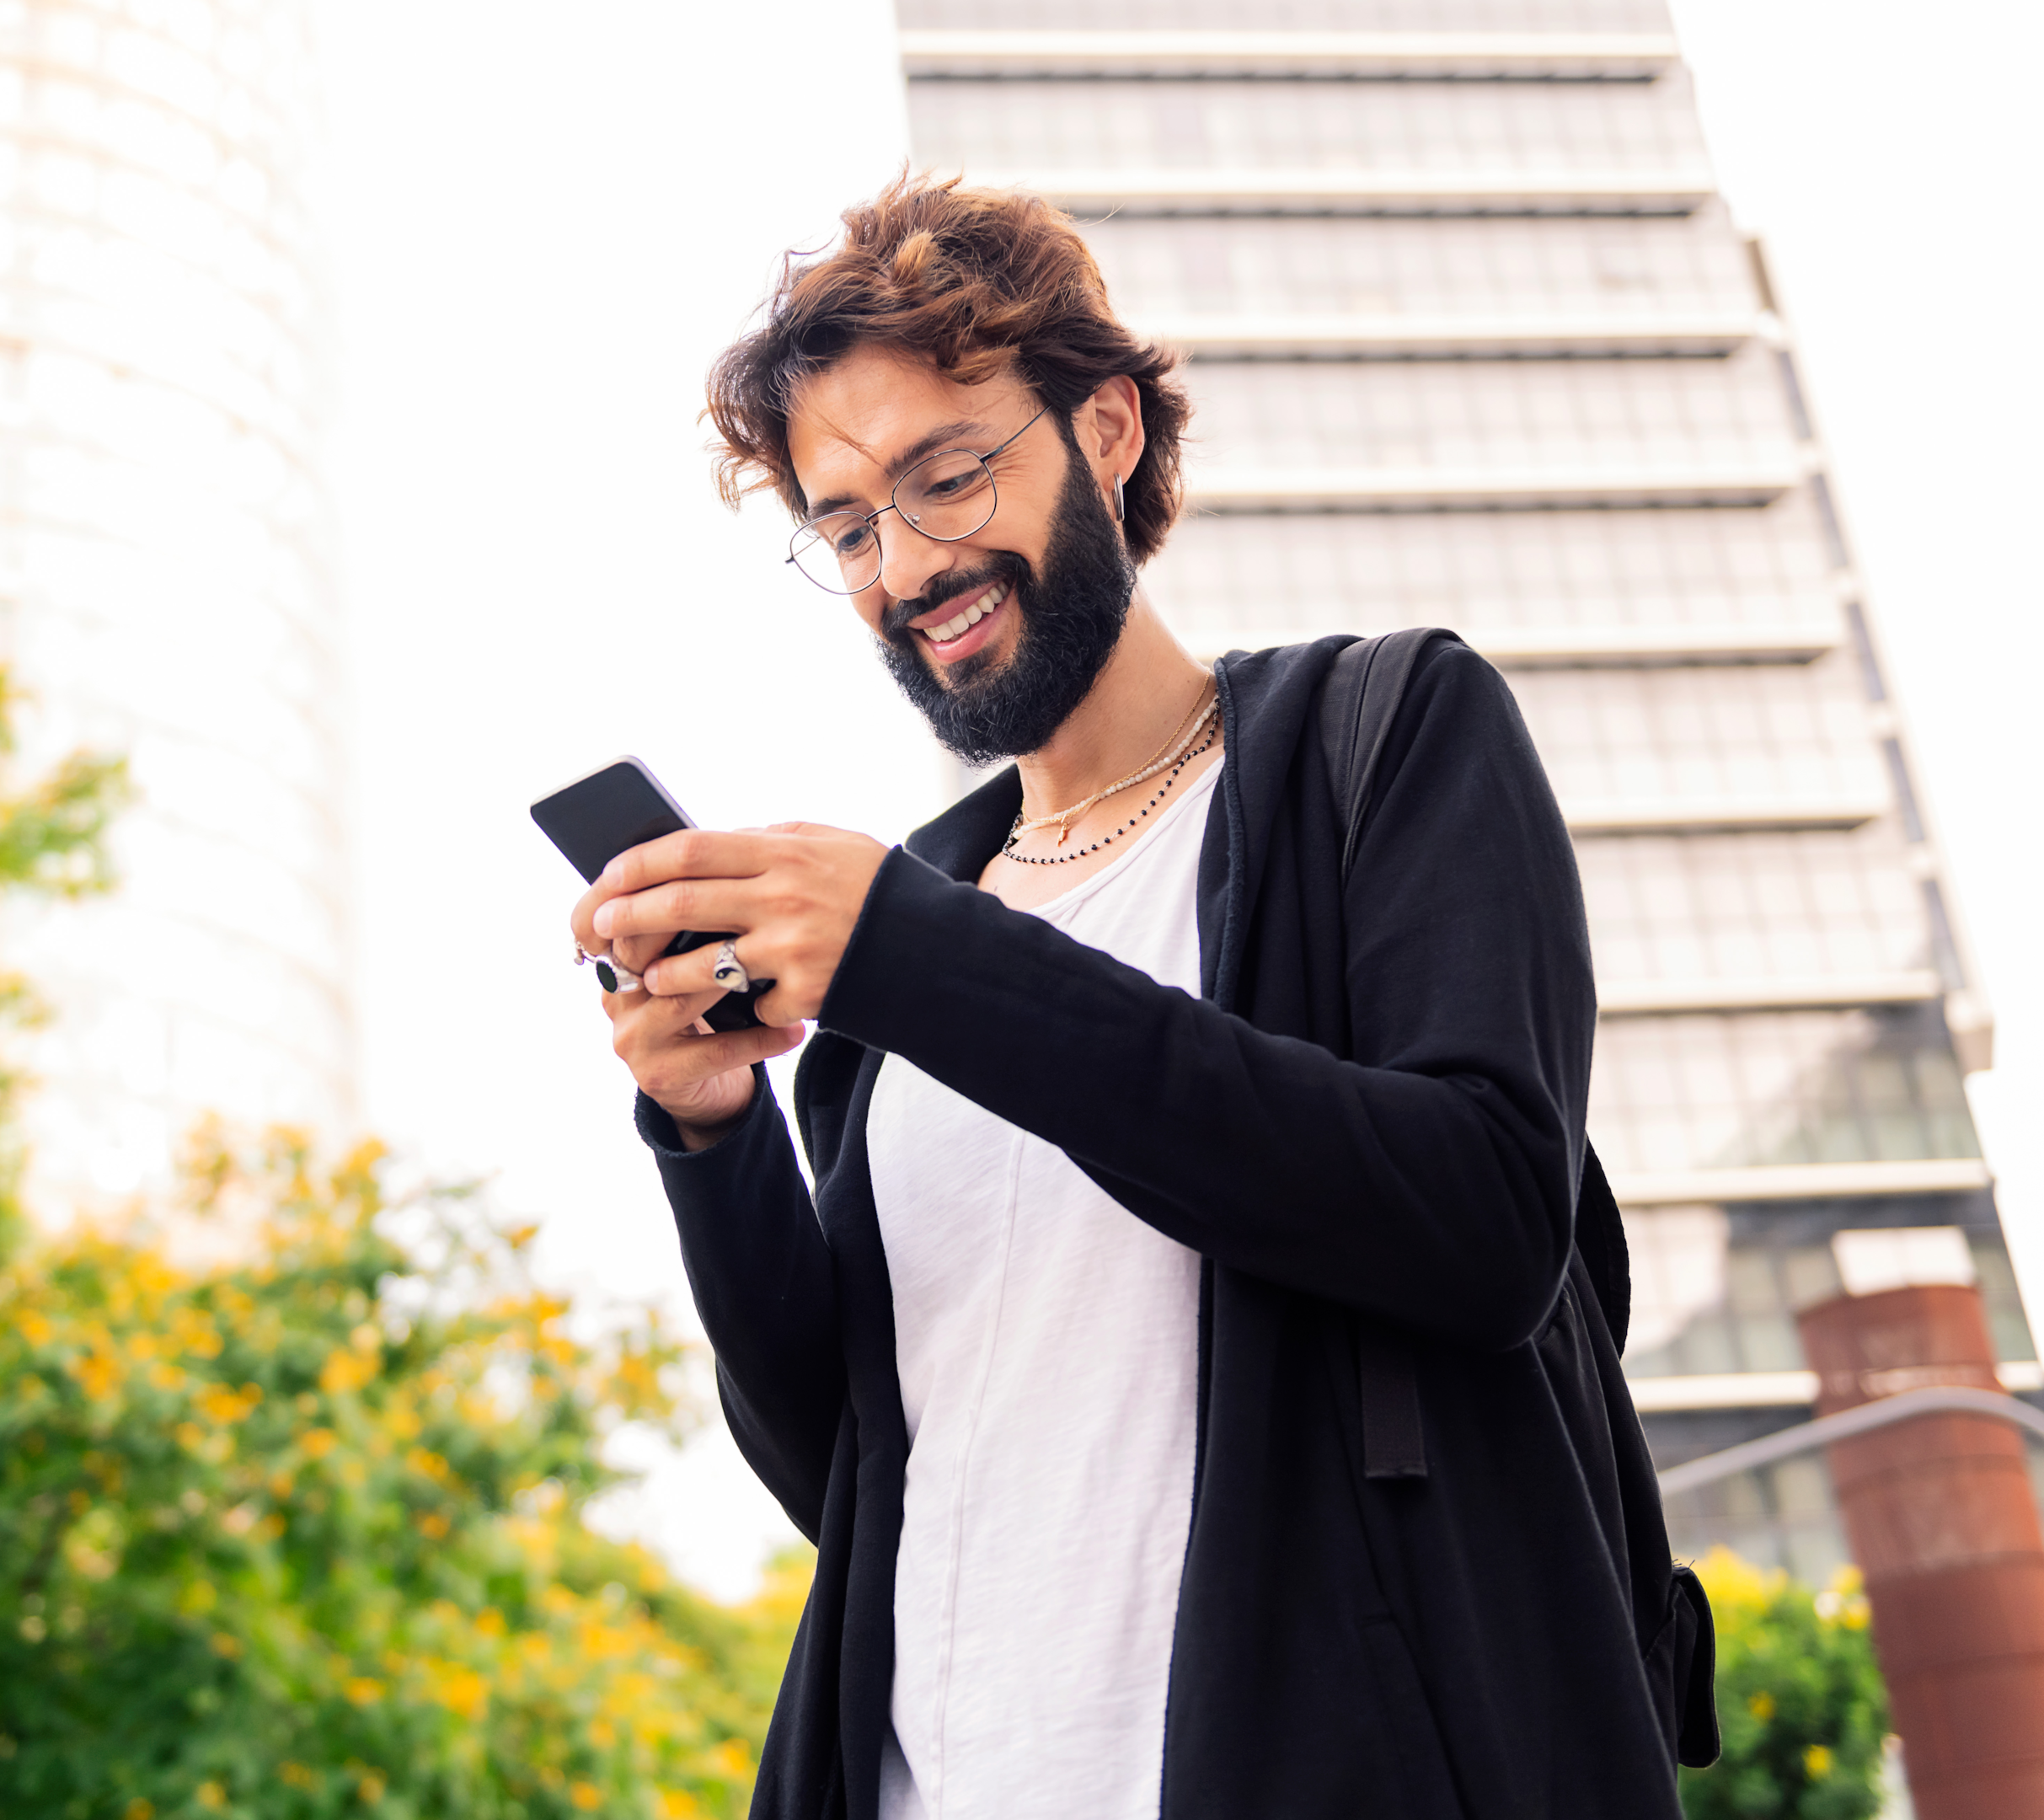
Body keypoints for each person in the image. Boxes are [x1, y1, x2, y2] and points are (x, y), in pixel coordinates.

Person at [568, 174, 1712, 1818]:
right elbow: (855, 1470)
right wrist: (713, 1132)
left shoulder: (1381, 738)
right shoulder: (910, 939)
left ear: (1104, 427)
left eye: (947, 474)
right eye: (850, 528)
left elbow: (1481, 1221)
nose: (908, 563)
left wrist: (919, 958)